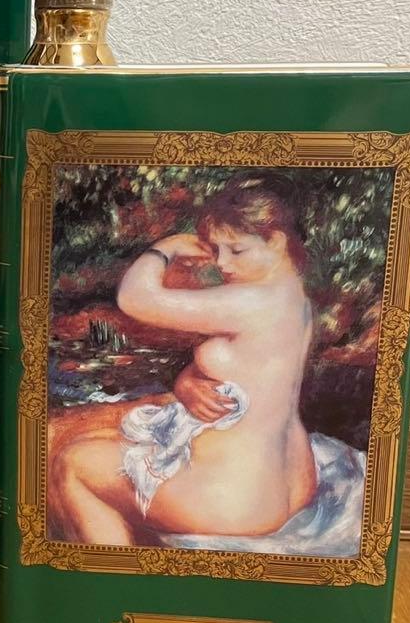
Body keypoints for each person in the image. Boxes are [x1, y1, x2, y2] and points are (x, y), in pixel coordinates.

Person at [48, 175, 319, 546]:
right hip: (290, 480)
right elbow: (244, 367)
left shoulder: (253, 302)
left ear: (276, 241)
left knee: (73, 464)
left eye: (236, 250)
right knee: (99, 436)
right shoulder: (293, 298)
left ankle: (114, 572)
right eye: (216, 249)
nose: (222, 263)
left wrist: (166, 248)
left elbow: (134, 299)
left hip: (239, 500)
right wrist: (186, 382)